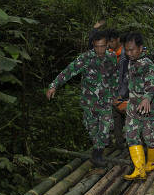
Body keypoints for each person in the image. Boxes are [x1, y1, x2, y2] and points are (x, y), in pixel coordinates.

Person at [47, 30, 117, 167]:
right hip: (89, 101)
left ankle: (97, 154)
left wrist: (114, 93)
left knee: (105, 127)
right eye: (96, 46)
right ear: (93, 45)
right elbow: (69, 71)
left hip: (105, 101)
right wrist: (54, 85)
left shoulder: (112, 56)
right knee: (92, 128)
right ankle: (97, 149)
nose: (99, 49)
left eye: (102, 46)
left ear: (107, 44)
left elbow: (114, 75)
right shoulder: (86, 58)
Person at [122, 32, 154, 180]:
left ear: (141, 48)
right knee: (131, 134)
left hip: (147, 105)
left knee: (149, 136)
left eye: (132, 50)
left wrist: (147, 98)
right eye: (127, 50)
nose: (129, 53)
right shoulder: (130, 61)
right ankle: (139, 169)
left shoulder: (147, 63)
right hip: (133, 104)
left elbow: (152, 84)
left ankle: (152, 162)